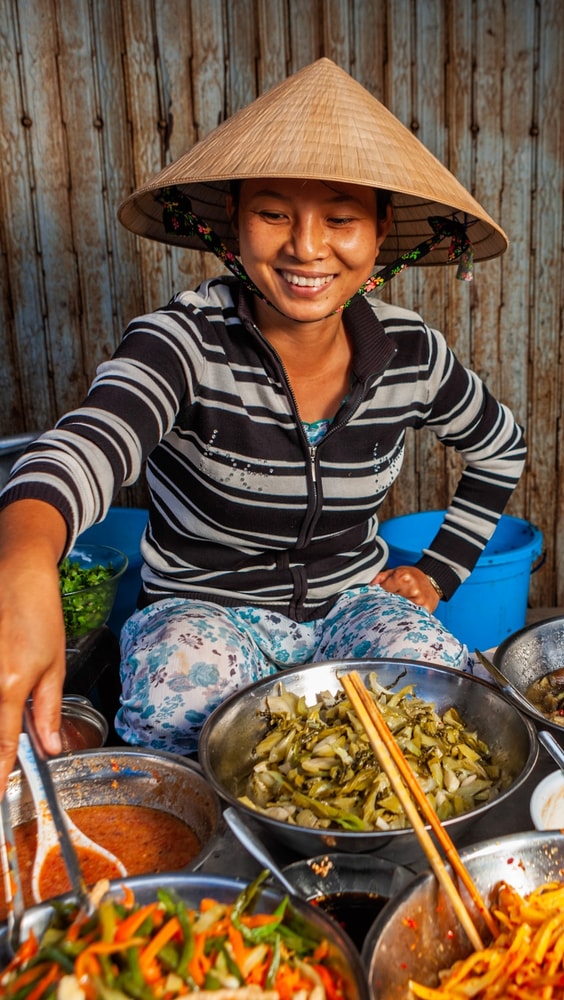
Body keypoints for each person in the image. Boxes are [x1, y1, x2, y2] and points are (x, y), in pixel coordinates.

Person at [0, 58, 526, 789]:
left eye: (340, 218)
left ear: (378, 234)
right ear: (233, 228)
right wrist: (21, 564)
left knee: (444, 704)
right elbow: (85, 446)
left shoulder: (411, 353)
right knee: (187, 730)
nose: (306, 247)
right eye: (274, 213)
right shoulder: (181, 340)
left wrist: (437, 575)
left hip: (351, 606)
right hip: (203, 614)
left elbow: (501, 448)